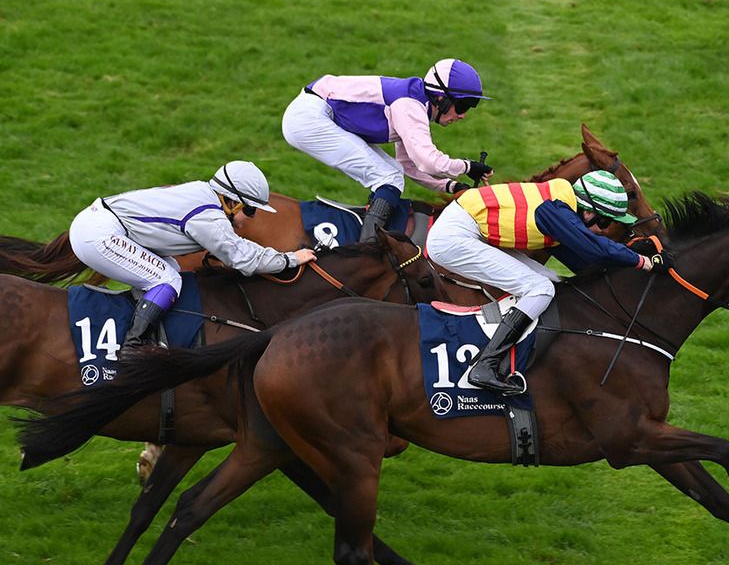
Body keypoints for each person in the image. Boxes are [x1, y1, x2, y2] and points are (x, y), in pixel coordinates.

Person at [426, 169, 671, 395]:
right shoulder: (555, 211)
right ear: (588, 211)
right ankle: (484, 365)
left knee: (550, 281)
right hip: (454, 238)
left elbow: (586, 264)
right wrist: (643, 262)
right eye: (605, 221)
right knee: (539, 289)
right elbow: (597, 250)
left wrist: (633, 262)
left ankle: (519, 349)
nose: (606, 230)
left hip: (472, 230)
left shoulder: (562, 208)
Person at [69, 160, 317, 348]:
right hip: (99, 234)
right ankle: (135, 345)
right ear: (233, 202)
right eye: (250, 211)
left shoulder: (203, 193)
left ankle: (142, 327)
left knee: (173, 272)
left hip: (99, 226)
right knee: (168, 280)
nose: (249, 219)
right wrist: (290, 259)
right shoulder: (208, 216)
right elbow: (244, 258)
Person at [282, 58, 494, 241]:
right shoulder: (409, 105)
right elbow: (427, 161)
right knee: (389, 177)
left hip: (314, 112)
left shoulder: (416, 103)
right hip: (309, 118)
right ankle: (368, 249)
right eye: (464, 105)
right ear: (441, 98)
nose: (463, 115)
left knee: (393, 171)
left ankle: (368, 232)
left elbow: (408, 164)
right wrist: (466, 167)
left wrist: (451, 186)